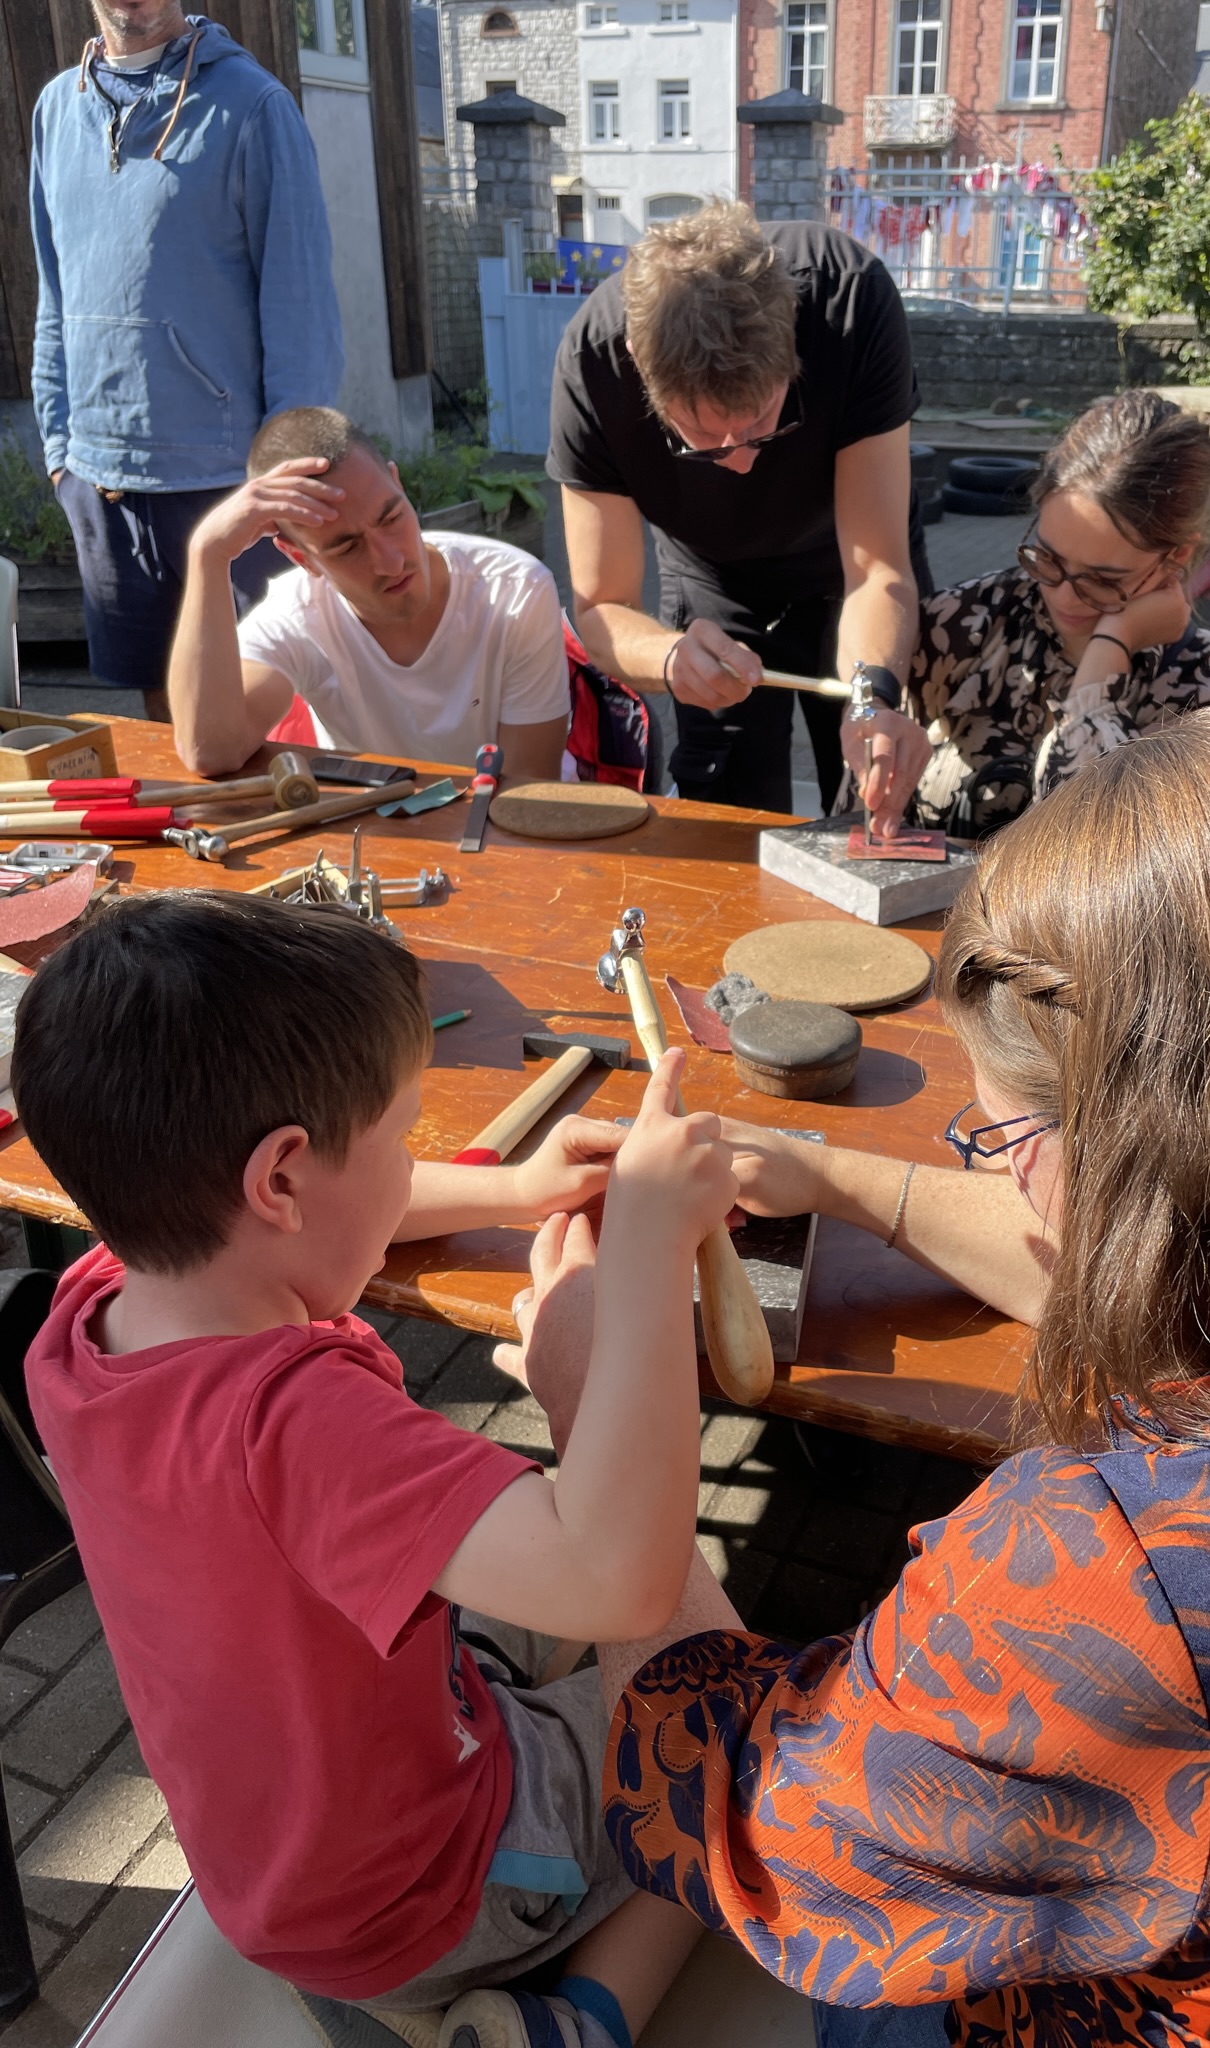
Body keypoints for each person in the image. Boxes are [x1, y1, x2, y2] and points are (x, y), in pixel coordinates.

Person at [531, 706, 1210, 2044]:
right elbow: (1145, 1262)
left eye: (1003, 1133)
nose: (1003, 1171)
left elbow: (748, 1817)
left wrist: (605, 1418)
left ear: (1135, 1164)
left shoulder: (1110, 1578)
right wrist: (843, 1178)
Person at [15, 891, 738, 2048]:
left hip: (274, 1862)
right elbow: (621, 1579)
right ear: (282, 1180)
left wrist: (513, 1189)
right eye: (401, 1137)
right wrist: (631, 1280)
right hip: (424, 1892)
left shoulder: (95, 1301)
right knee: (734, 1731)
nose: (411, 1166)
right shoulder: (295, 1424)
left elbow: (294, 1212)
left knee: (532, 1629)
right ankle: (576, 2018)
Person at [547, 201, 933, 827]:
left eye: (762, 425)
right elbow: (600, 608)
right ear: (644, 380)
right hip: (713, 582)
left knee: (880, 791)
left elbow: (877, 569)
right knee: (730, 814)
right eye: (701, 438)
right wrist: (670, 657)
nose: (742, 464)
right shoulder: (593, 364)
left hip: (849, 567)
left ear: (793, 354)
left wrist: (872, 701)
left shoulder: (851, 301)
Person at [30, 0, 344, 722]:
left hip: (230, 491)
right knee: (164, 729)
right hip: (104, 487)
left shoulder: (253, 107)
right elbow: (53, 289)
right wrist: (61, 454)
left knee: (267, 726)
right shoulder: (55, 109)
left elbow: (302, 312)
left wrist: (285, 483)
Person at [905, 390, 1210, 839]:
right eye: (1048, 558)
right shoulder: (966, 622)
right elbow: (855, 823)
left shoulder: (1199, 692)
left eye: (1103, 579)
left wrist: (1107, 656)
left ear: (1176, 555)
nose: (1064, 596)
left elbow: (1084, 849)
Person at [168, 408, 570, 777]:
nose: (391, 561)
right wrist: (207, 553)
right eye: (347, 547)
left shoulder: (514, 591)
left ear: (397, 483)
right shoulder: (296, 616)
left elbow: (527, 789)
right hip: (381, 834)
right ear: (301, 559)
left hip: (501, 835)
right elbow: (212, 751)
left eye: (392, 517)